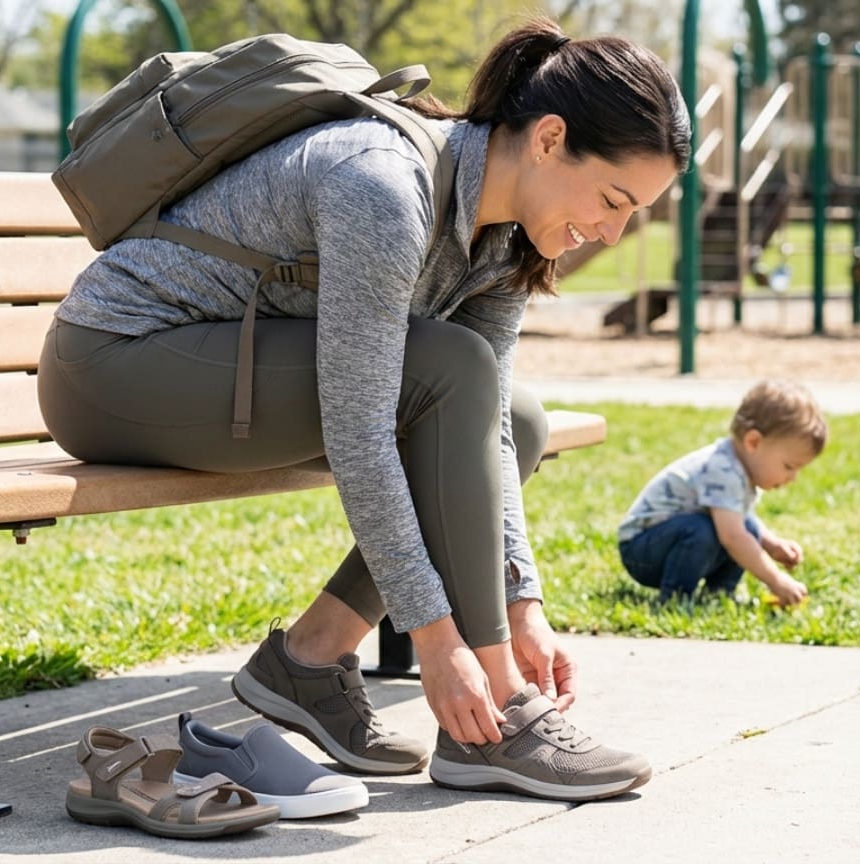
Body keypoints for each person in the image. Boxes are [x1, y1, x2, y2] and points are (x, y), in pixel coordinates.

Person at [36, 18, 688, 803]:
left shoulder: (501, 238)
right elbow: (362, 429)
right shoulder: (382, 185)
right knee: (452, 369)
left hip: (224, 371)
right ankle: (502, 714)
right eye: (614, 200)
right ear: (549, 139)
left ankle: (309, 660)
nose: (613, 232)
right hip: (116, 365)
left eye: (634, 214)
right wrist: (443, 642)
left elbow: (485, 428)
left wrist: (523, 603)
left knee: (519, 418)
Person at [617, 380, 827, 606]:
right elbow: (733, 538)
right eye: (788, 467)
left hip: (668, 542)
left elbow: (744, 521)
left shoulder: (739, 469)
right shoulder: (723, 469)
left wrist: (772, 544)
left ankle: (718, 594)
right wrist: (775, 580)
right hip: (642, 551)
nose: (792, 478)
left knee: (744, 529)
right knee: (714, 532)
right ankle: (676, 598)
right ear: (753, 442)